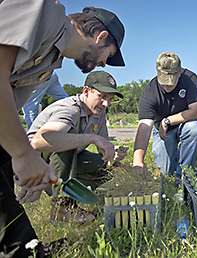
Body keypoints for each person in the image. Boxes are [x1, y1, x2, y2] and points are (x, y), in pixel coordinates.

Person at [0, 0, 126, 256]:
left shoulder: (49, 61)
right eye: (108, 55)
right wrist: (24, 155)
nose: (103, 64)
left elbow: (8, 110)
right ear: (100, 37)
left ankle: (23, 250)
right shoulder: (41, 9)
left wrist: (18, 164)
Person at [27, 71, 128, 225]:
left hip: (64, 162)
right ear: (86, 91)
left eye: (110, 99)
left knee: (111, 168)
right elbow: (38, 142)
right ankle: (62, 208)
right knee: (68, 136)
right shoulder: (70, 108)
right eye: (102, 96)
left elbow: (103, 147)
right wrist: (93, 138)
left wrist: (112, 154)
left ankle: (75, 192)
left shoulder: (98, 113)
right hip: (34, 163)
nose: (106, 104)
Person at [133, 52, 197, 182]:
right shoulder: (150, 92)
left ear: (180, 73)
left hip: (185, 124)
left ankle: (184, 174)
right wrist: (137, 161)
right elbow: (144, 127)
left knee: (195, 128)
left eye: (170, 82)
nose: (166, 87)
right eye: (163, 83)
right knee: (165, 173)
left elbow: (196, 112)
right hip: (163, 132)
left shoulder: (190, 79)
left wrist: (167, 120)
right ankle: (175, 158)